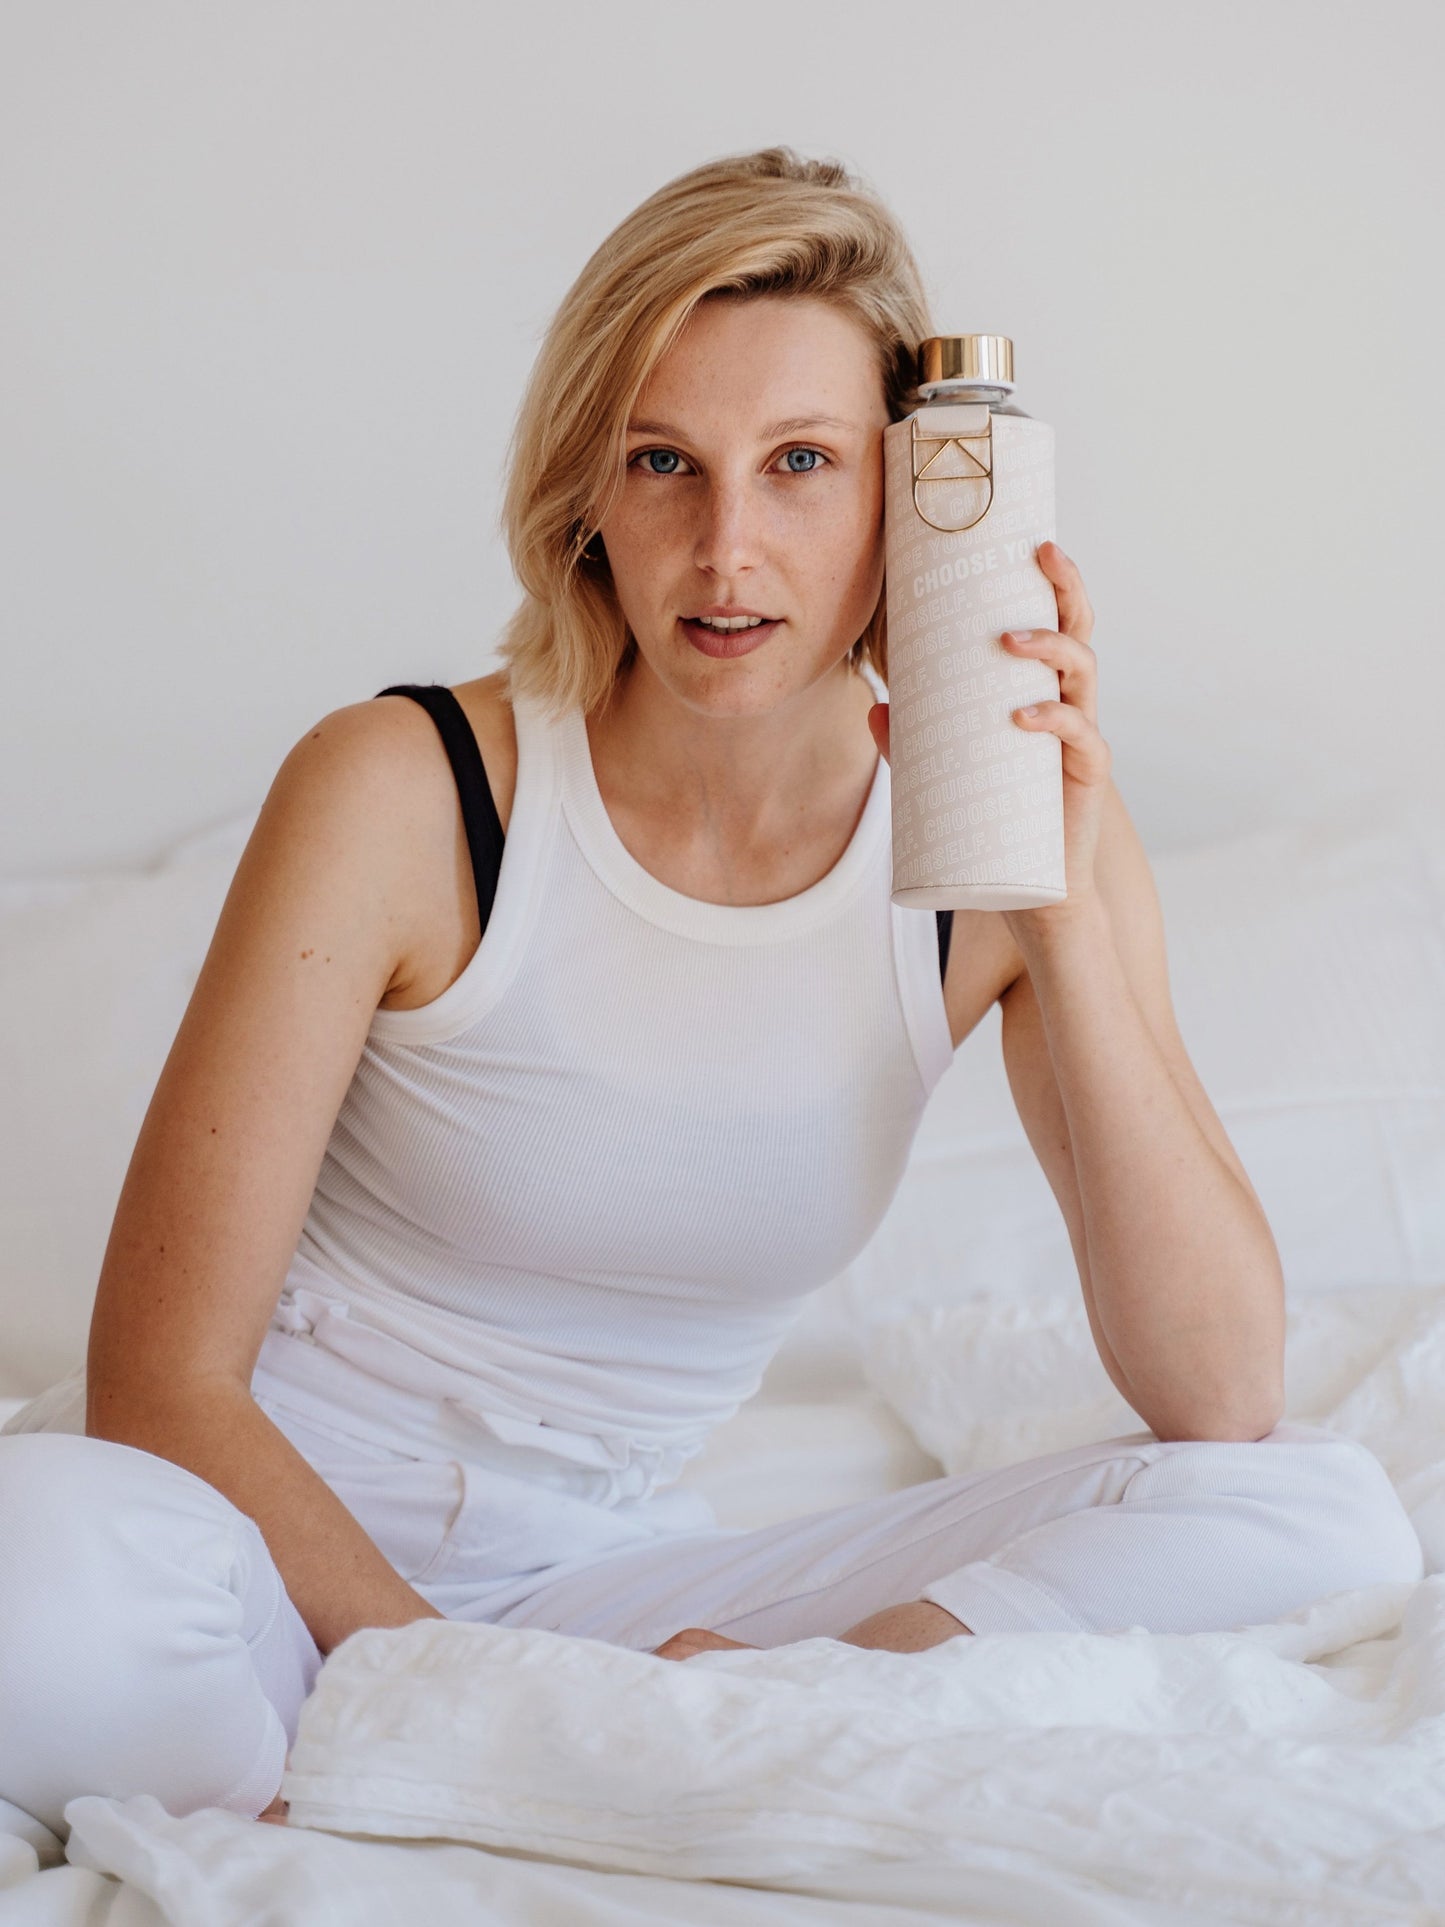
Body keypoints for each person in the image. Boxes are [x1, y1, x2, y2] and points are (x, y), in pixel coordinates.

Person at [0, 147, 1422, 1840]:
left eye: (800, 464)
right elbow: (163, 1378)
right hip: (248, 1554)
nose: (724, 547)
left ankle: (623, 1743)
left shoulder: (1005, 842)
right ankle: (560, 1763)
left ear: (906, 495)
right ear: (583, 490)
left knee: (1315, 1515)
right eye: (661, 461)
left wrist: (1058, 916)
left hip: (616, 1597)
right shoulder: (407, 786)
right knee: (36, 1576)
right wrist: (461, 1682)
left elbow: (1218, 1396)